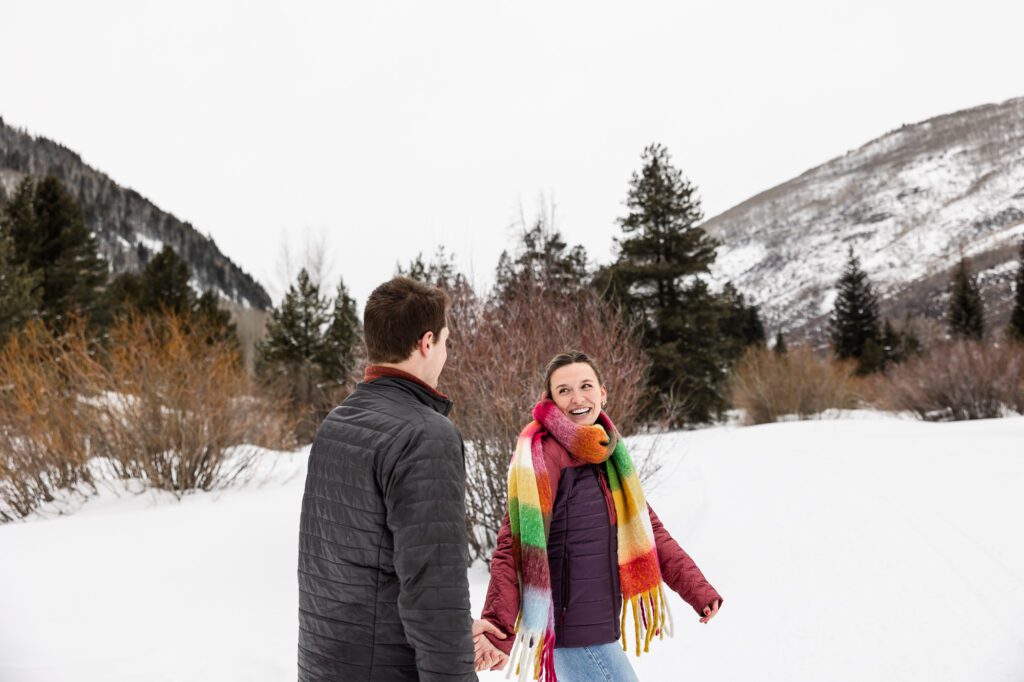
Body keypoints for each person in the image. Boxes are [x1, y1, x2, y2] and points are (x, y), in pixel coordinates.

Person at [297, 276, 501, 681]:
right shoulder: (425, 435)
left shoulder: (337, 423)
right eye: (445, 341)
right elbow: (433, 592)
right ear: (427, 343)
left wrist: (456, 637)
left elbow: (363, 565)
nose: (445, 352)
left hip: (327, 665)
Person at [473, 351, 723, 681]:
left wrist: (698, 590)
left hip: (596, 625)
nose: (577, 398)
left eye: (586, 386)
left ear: (602, 392)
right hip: (572, 630)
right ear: (550, 400)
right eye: (564, 390)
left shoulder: (607, 453)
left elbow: (649, 532)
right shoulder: (544, 453)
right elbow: (516, 545)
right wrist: (498, 629)